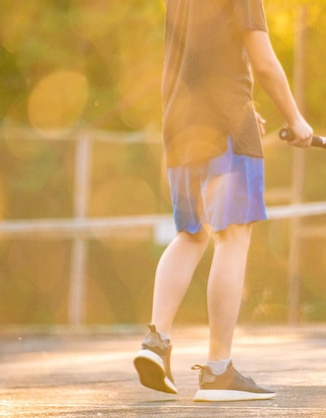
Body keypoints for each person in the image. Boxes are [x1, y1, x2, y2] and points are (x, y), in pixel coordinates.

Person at [133, 0, 313, 402]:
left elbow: (200, 59)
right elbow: (263, 61)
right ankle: (218, 371)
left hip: (180, 127)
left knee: (190, 235)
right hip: (227, 128)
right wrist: (295, 118)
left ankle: (155, 342)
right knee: (231, 238)